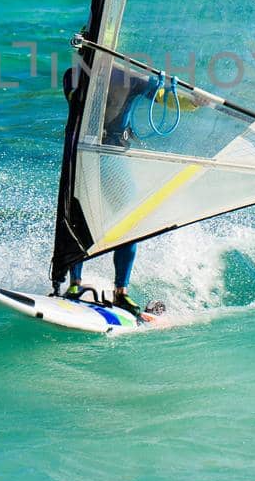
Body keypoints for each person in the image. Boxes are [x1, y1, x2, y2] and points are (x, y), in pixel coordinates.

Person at [57, 59, 184, 320]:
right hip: (82, 155)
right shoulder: (74, 75)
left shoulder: (131, 78)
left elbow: (165, 99)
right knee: (77, 217)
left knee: (129, 217)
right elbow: (79, 100)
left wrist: (194, 103)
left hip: (111, 156)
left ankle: (121, 291)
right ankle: (74, 284)